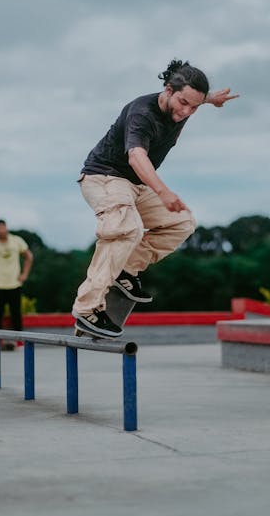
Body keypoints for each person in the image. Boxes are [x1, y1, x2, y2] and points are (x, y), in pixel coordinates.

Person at [72, 59, 238, 338]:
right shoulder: (142, 113)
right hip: (104, 178)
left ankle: (126, 269)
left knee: (182, 223)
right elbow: (136, 156)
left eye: (194, 107)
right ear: (168, 90)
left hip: (134, 186)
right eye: (183, 103)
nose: (186, 112)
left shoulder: (187, 100)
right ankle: (87, 308)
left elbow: (194, 96)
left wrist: (211, 100)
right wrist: (163, 192)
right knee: (127, 229)